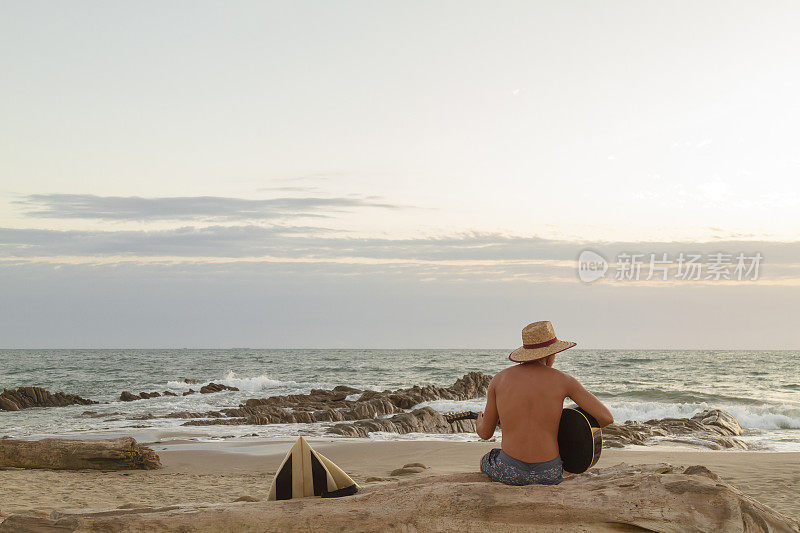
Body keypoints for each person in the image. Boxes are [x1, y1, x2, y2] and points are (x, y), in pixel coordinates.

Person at [476, 321, 613, 485]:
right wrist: (568, 432)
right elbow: (606, 418)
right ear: (551, 354)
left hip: (510, 472)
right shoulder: (564, 381)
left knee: (487, 459)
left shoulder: (499, 379)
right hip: (549, 473)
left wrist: (479, 422)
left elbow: (485, 434)